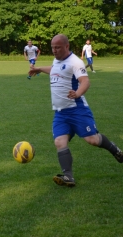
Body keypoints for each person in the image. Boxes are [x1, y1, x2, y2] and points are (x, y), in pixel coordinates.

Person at [28, 34, 123, 187]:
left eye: (57, 47)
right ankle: (68, 177)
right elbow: (55, 69)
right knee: (59, 142)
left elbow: (85, 82)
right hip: (60, 113)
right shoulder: (57, 59)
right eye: (52, 47)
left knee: (92, 140)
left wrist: (77, 93)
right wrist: (38, 68)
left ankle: (116, 151)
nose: (54, 50)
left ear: (67, 46)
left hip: (77, 109)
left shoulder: (75, 62)